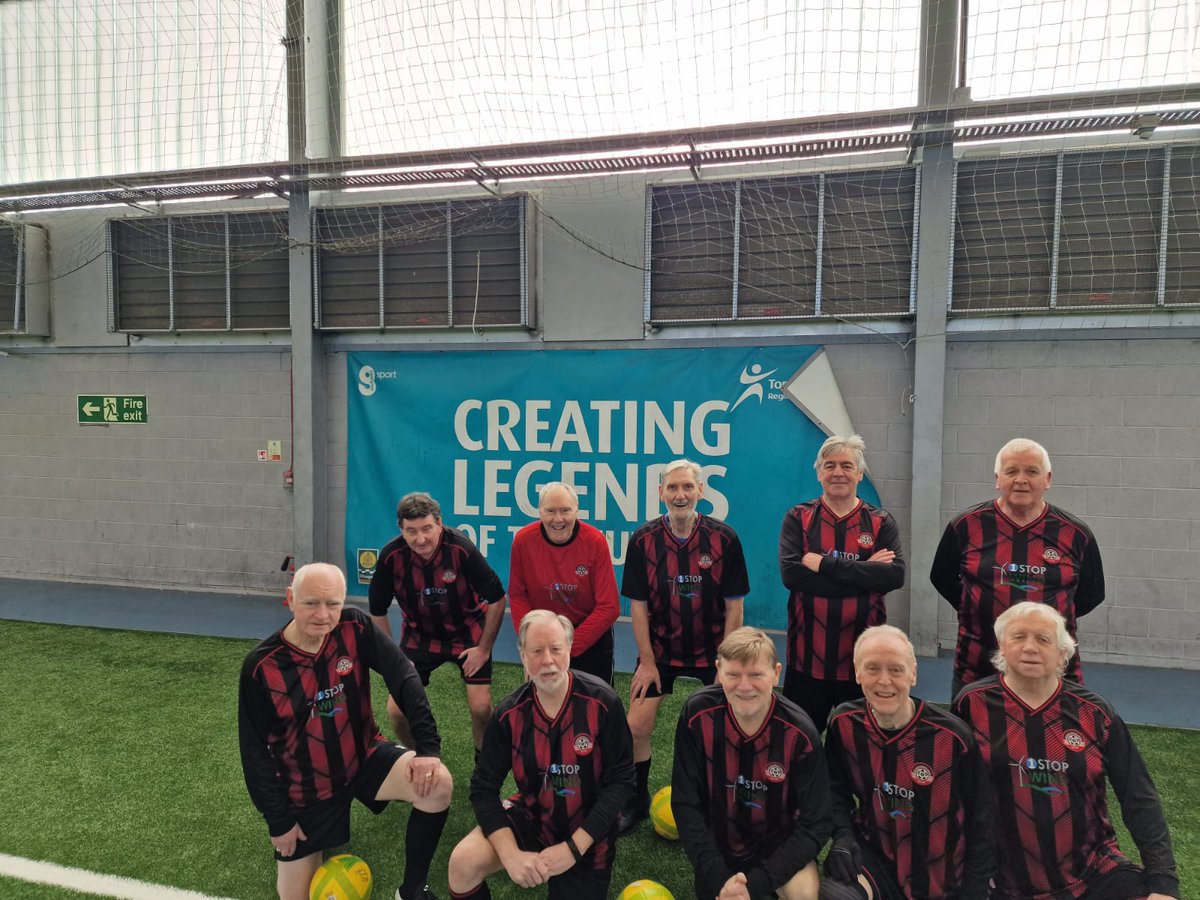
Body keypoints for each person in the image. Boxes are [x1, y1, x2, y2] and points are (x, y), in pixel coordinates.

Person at [238, 562, 451, 900]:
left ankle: (412, 890)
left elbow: (404, 676)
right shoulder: (262, 666)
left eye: (332, 603)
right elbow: (253, 751)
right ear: (290, 599)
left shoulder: (355, 626)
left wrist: (427, 749)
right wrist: (278, 822)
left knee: (437, 784)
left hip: (364, 758)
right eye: (311, 603)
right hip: (306, 790)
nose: (323, 614)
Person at [953, 602, 1179, 900]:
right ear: (1002, 646)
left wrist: (1164, 883)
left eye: (1043, 639)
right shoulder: (972, 705)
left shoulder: (1095, 712)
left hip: (1094, 872)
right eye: (1018, 637)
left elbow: (1138, 795)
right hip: (1003, 880)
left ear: (1063, 653)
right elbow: (952, 797)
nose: (1030, 648)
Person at [447, 610, 635, 900]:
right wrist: (509, 854)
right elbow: (483, 789)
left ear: (569, 651)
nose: (547, 660)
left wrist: (573, 848)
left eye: (556, 649)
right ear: (523, 655)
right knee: (463, 863)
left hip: (589, 834)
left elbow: (622, 782)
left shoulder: (603, 702)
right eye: (536, 651)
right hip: (534, 816)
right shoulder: (509, 714)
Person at [619, 458, 749, 832]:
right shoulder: (643, 540)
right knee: (635, 727)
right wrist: (646, 662)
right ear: (661, 493)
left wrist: (727, 663)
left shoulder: (724, 538)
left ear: (700, 491)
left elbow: (734, 605)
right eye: (672, 488)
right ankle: (635, 799)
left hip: (713, 653)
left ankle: (717, 801)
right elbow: (638, 608)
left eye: (687, 487)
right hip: (661, 654)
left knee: (723, 729)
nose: (680, 495)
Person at [821, 625, 993, 900]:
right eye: (872, 668)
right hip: (877, 860)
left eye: (896, 670)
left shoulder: (953, 737)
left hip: (941, 871)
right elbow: (834, 791)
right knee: (836, 894)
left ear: (913, 674)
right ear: (857, 673)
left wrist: (974, 890)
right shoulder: (844, 723)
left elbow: (981, 822)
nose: (884, 681)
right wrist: (843, 837)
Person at [930, 437, 1104, 696]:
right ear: (997, 478)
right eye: (1011, 471)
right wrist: (977, 609)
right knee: (972, 737)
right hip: (977, 667)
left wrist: (1046, 622)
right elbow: (942, 578)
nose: (1021, 479)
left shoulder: (1075, 533)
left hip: (1053, 672)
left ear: (1048, 479)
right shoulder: (966, 526)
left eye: (1031, 471)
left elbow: (1091, 594)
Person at [672, 627, 830, 900]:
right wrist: (719, 877)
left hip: (779, 849)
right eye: (733, 675)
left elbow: (816, 824)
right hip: (719, 851)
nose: (744, 687)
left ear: (776, 673)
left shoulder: (800, 733)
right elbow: (685, 804)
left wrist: (755, 885)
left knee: (804, 893)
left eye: (756, 675)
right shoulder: (697, 716)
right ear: (719, 670)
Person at [779, 434, 906, 730]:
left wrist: (824, 564)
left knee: (860, 747)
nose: (838, 472)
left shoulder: (880, 522)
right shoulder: (798, 518)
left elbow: (894, 576)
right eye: (830, 465)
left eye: (847, 465)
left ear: (859, 473)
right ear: (819, 472)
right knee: (801, 744)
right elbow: (793, 576)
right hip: (806, 661)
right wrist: (866, 572)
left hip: (863, 663)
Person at [369, 491, 507, 752]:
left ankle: (484, 767)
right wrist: (393, 658)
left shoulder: (461, 549)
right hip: (419, 637)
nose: (420, 538)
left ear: (439, 523)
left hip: (468, 633)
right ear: (401, 530)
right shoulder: (391, 557)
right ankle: (422, 756)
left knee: (480, 708)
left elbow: (497, 598)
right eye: (411, 531)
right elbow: (377, 610)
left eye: (427, 528)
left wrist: (484, 649)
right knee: (396, 712)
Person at [507, 481, 620, 684]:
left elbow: (609, 607)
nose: (558, 519)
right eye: (550, 511)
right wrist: (531, 637)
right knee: (541, 704)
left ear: (577, 510)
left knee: (596, 706)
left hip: (590, 636)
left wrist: (567, 646)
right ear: (539, 511)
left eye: (566, 511)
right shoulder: (523, 540)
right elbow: (517, 595)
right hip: (544, 636)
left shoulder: (595, 541)